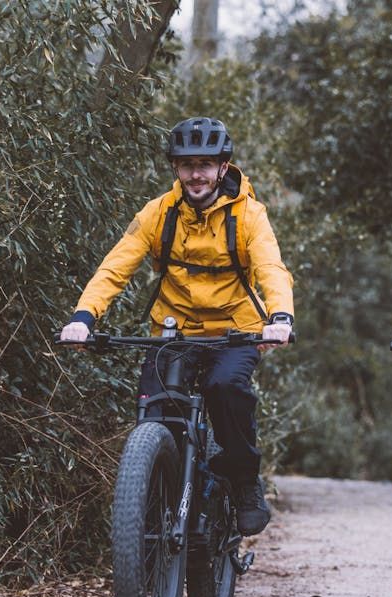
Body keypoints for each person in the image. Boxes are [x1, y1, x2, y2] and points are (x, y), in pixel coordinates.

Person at [60, 117, 294, 536]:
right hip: (174, 331)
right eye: (187, 165)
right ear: (175, 168)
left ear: (224, 167)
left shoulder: (249, 215)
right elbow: (117, 266)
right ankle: (153, 507)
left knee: (226, 389)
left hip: (235, 332)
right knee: (156, 414)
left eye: (206, 164)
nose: (196, 174)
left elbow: (270, 267)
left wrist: (280, 317)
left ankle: (243, 483)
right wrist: (85, 315)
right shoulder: (158, 213)